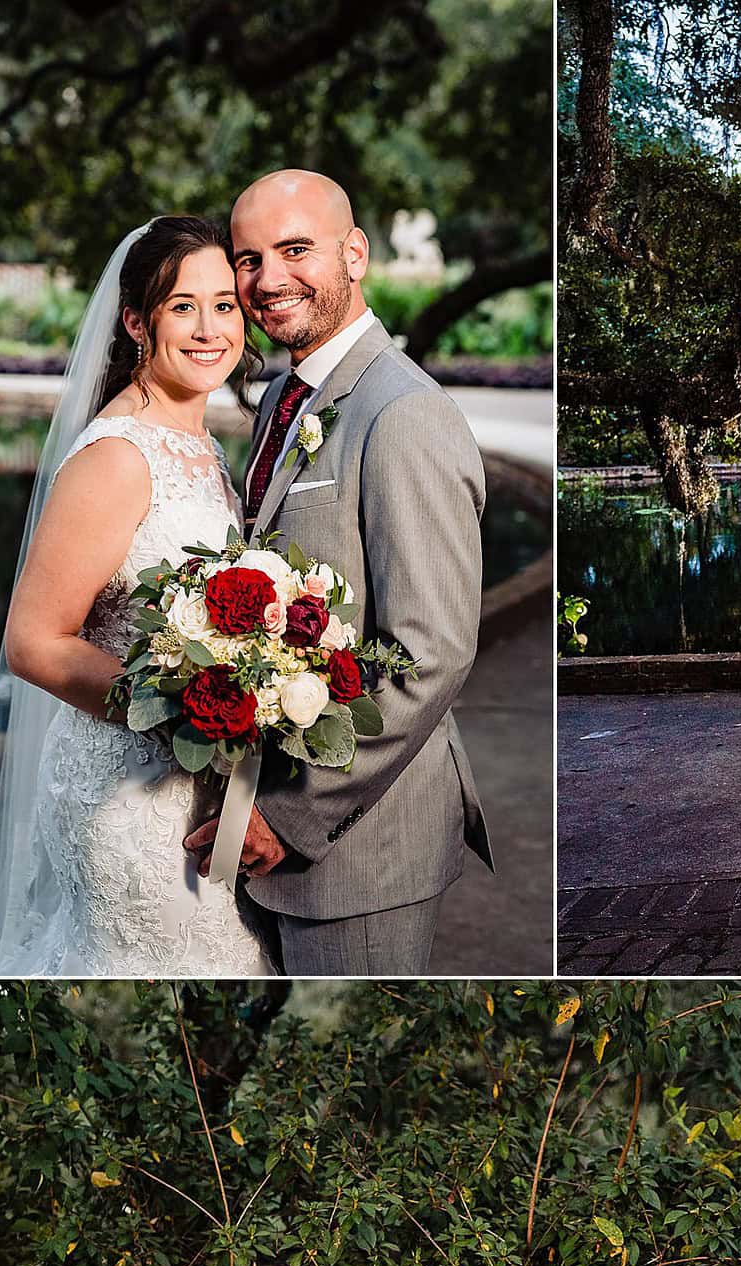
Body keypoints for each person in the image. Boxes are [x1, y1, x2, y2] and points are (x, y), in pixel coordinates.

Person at [0, 217, 276, 973]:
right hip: (128, 804)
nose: (210, 330)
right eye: (182, 307)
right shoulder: (118, 457)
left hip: (195, 793)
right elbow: (34, 642)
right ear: (137, 320)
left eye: (226, 305)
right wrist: (190, 713)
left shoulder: (195, 444)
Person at [201, 169, 490, 972]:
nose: (268, 280)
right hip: (274, 825)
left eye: (297, 250)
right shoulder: (280, 401)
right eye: (248, 259)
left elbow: (430, 652)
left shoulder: (404, 414)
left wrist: (288, 817)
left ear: (355, 254)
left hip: (360, 850)